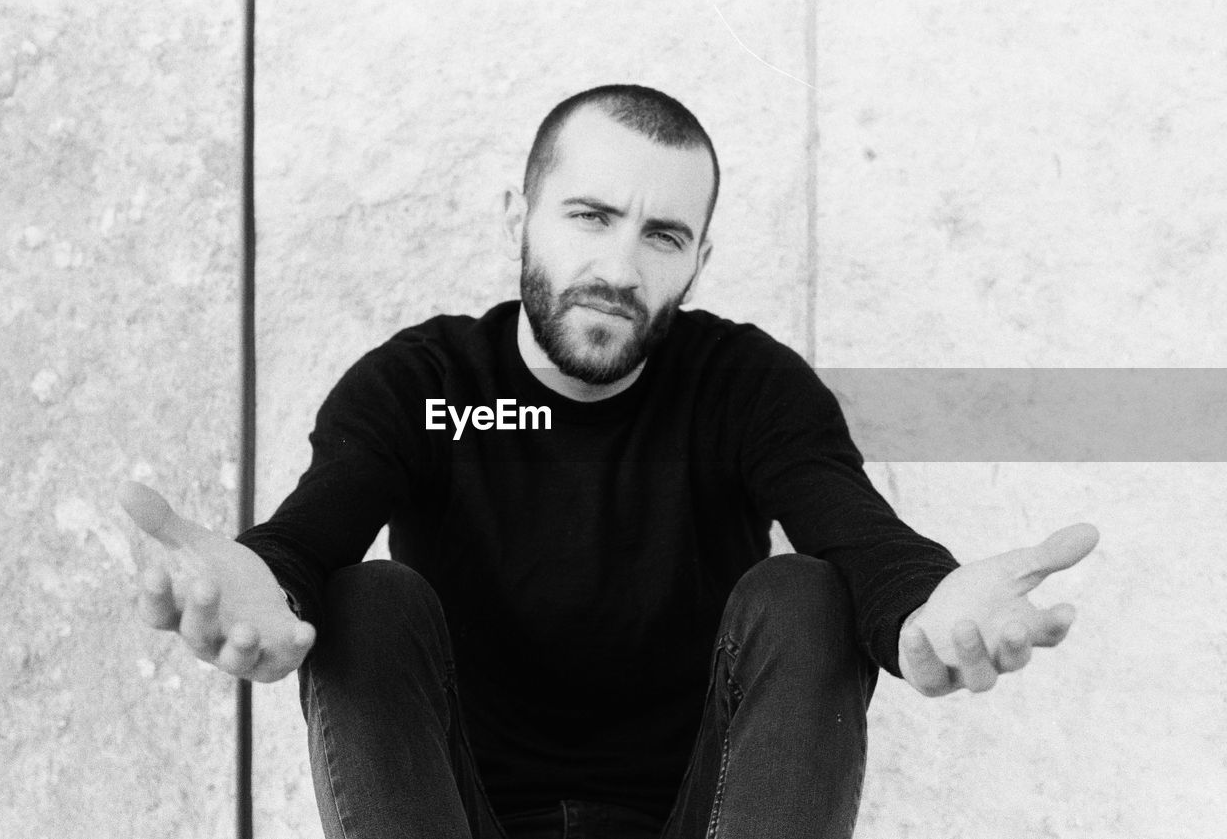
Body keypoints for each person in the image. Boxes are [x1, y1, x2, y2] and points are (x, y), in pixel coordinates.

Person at [119, 84, 1098, 839]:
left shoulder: (743, 388)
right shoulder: (429, 385)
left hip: (696, 813)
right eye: (588, 216)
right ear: (519, 216)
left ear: (698, 261)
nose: (621, 269)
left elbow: (858, 535)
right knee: (368, 602)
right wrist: (265, 581)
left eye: (662, 235)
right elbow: (311, 531)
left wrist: (927, 609)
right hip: (467, 813)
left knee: (806, 590)